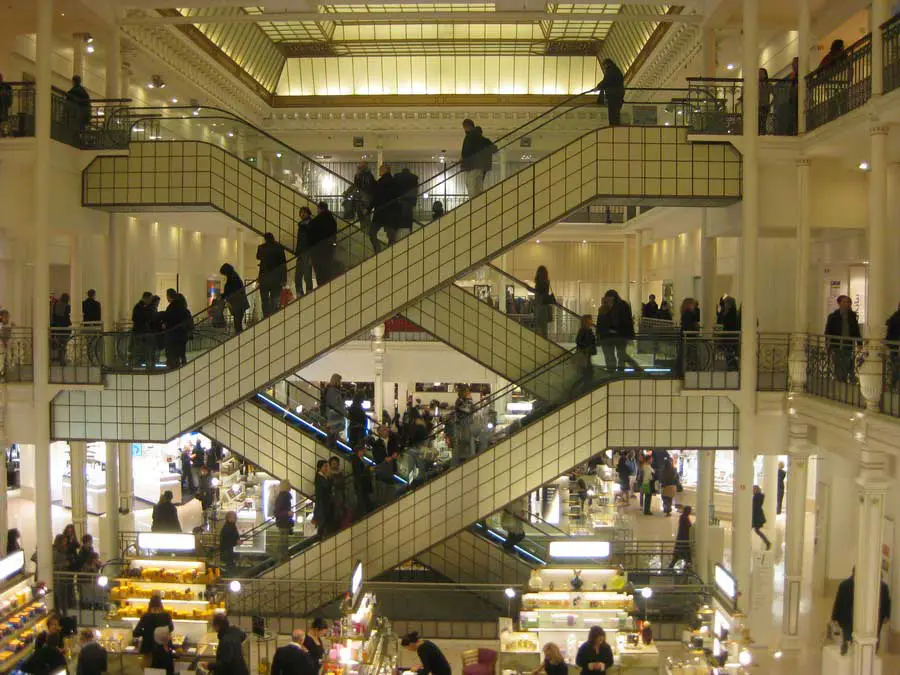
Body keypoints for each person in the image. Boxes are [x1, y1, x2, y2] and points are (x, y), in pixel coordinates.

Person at [831, 568, 891, 655]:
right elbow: (838, 601)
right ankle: (847, 649)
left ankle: (869, 653)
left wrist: (887, 615)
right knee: (848, 634)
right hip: (847, 616)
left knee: (873, 635)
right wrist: (834, 616)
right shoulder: (845, 585)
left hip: (871, 617)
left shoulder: (878, 586)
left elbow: (886, 602)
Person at [825, 295, 861, 383]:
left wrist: (859, 343)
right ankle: (840, 381)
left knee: (848, 362)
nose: (846, 304)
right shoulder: (833, 316)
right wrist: (827, 344)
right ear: (839, 303)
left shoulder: (852, 316)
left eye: (848, 302)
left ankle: (846, 379)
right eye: (844, 302)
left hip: (848, 344)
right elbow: (828, 331)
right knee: (838, 363)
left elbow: (856, 330)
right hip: (836, 344)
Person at [132, 594, 175, 667]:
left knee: (150, 671)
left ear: (150, 604)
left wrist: (146, 632)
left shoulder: (145, 617)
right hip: (163, 651)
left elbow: (136, 633)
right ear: (161, 604)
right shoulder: (166, 616)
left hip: (148, 651)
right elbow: (171, 628)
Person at [601, 289, 637, 372]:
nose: (609, 300)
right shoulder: (607, 306)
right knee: (616, 355)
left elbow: (626, 321)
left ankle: (621, 371)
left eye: (610, 298)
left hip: (620, 335)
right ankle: (615, 371)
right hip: (613, 335)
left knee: (621, 355)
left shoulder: (622, 305)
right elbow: (603, 321)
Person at [460, 118, 496, 198]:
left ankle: (474, 204)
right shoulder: (477, 137)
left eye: (465, 127)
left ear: (467, 127)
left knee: (472, 185)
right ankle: (477, 204)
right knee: (476, 185)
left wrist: (464, 162)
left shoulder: (471, 136)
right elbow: (493, 148)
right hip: (477, 165)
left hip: (473, 164)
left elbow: (467, 151)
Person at [257, 232, 287, 317]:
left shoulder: (261, 248)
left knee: (264, 300)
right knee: (275, 299)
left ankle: (266, 316)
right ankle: (273, 316)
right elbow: (283, 264)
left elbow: (258, 257)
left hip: (264, 278)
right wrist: (284, 279)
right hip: (276, 278)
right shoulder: (279, 247)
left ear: (265, 239)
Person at [371, 164, 400, 251]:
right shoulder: (394, 182)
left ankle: (378, 251)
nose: (379, 171)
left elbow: (376, 198)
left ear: (385, 170)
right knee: (391, 235)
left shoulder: (381, 182)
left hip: (380, 212)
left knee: (372, 233)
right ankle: (389, 252)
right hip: (390, 213)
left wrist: (369, 209)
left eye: (380, 170)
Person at [308, 201, 338, 285]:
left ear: (319, 209)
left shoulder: (316, 221)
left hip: (318, 250)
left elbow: (311, 237)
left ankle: (321, 287)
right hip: (329, 249)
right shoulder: (332, 220)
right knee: (327, 270)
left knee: (319, 272)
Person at [162, 289, 191, 369]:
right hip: (182, 334)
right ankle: (182, 364)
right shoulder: (183, 308)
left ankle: (173, 366)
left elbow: (167, 319)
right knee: (181, 351)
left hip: (172, 335)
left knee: (172, 353)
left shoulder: (171, 308)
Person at [348, 161, 377, 234]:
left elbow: (361, 186)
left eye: (361, 166)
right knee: (363, 218)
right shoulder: (364, 175)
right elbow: (357, 185)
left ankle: (366, 234)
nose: (359, 167)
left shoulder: (366, 175)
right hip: (362, 199)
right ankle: (365, 234)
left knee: (365, 218)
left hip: (364, 199)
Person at [220, 263, 249, 334]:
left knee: (237, 323)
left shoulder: (232, 278)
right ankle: (239, 337)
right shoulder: (234, 276)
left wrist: (223, 296)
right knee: (237, 323)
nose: (224, 275)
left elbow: (230, 290)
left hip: (238, 304)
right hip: (239, 303)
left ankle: (239, 338)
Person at [596, 58, 625, 126]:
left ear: (607, 64)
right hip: (618, 94)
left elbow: (606, 81)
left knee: (612, 112)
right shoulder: (616, 69)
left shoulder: (611, 71)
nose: (604, 68)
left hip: (613, 95)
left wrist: (598, 87)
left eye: (604, 66)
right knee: (616, 113)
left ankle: (613, 126)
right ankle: (615, 126)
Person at [293, 206, 314, 297]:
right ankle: (300, 293)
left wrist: (311, 255)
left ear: (308, 213)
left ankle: (308, 292)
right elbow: (299, 240)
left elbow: (312, 240)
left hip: (307, 252)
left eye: (304, 212)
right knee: (298, 275)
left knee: (307, 275)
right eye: (301, 212)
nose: (302, 214)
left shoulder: (311, 224)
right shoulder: (301, 225)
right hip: (301, 253)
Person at [394, 167, 419, 239]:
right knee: (409, 215)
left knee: (399, 215)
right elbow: (415, 190)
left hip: (399, 200)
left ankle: (398, 230)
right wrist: (414, 201)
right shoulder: (414, 178)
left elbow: (395, 189)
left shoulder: (397, 177)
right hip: (410, 200)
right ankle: (409, 230)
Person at [453, 386, 476, 466]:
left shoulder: (467, 400)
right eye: (466, 391)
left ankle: (466, 454)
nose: (468, 393)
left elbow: (472, 409)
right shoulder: (460, 401)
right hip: (463, 423)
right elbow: (468, 410)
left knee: (467, 438)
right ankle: (463, 455)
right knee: (464, 438)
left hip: (466, 422)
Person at [350, 443, 374, 518]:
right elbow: (359, 472)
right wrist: (368, 469)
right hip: (361, 484)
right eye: (363, 451)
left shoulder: (358, 459)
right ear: (359, 451)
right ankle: (364, 515)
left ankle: (366, 513)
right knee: (363, 500)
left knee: (364, 499)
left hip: (362, 484)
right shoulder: (356, 460)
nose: (364, 452)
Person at [574, 314, 597, 388]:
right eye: (590, 319)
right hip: (584, 353)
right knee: (587, 371)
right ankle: (584, 387)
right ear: (586, 321)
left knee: (588, 371)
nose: (592, 321)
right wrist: (587, 346)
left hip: (587, 353)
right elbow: (578, 341)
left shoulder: (588, 330)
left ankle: (585, 386)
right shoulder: (584, 330)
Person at [323, 373, 346, 447]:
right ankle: (330, 448)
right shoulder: (332, 391)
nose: (340, 383)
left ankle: (332, 448)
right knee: (332, 436)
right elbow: (333, 404)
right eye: (339, 381)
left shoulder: (332, 390)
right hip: (334, 416)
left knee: (333, 435)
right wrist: (342, 410)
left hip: (334, 416)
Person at [50, 293, 72, 365]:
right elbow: (67, 318)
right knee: (64, 344)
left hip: (57, 328)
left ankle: (60, 359)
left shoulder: (55, 305)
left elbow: (53, 317)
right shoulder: (68, 306)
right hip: (65, 328)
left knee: (60, 344)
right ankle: (62, 360)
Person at [313, 460, 332, 537]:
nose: (327, 468)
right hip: (322, 504)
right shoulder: (320, 478)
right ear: (319, 468)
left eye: (327, 466)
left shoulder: (324, 477)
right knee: (322, 525)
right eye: (325, 466)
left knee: (324, 524)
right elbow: (324, 491)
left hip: (324, 504)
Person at [533, 265, 553, 338]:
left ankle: (540, 341)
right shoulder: (546, 282)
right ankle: (544, 341)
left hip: (539, 306)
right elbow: (545, 293)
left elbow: (539, 293)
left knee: (538, 326)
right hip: (544, 306)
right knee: (544, 327)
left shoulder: (539, 283)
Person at [751, 485, 771, 550]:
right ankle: (767, 542)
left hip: (755, 516)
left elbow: (754, 507)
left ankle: (767, 542)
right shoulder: (760, 497)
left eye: (753, 489)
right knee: (757, 530)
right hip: (758, 516)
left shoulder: (755, 497)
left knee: (754, 530)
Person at [758, 68, 772, 134]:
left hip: (765, 107)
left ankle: (763, 134)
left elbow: (775, 95)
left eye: (761, 73)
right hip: (757, 107)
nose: (760, 75)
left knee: (763, 123)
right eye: (759, 73)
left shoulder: (768, 85)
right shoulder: (756, 85)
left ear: (765, 75)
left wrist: (770, 104)